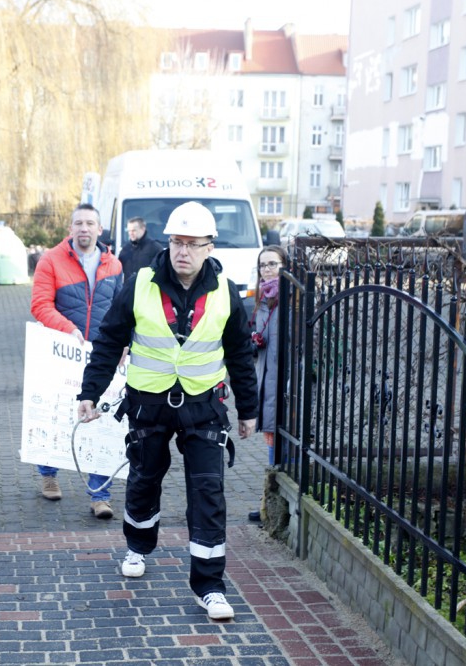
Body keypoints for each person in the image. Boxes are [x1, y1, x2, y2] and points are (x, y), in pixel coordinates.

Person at [76, 201, 258, 620]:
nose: (184, 251)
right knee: (143, 481)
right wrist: (90, 391)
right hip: (149, 404)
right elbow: (108, 341)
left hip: (204, 407)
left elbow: (241, 356)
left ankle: (210, 586)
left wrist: (247, 410)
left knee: (208, 493)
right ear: (169, 243)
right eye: (177, 241)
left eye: (193, 244)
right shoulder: (140, 283)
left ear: (210, 248)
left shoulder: (226, 291)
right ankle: (138, 546)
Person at [30, 203, 123, 519]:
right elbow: (40, 305)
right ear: (70, 229)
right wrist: (67, 329)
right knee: (55, 417)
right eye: (78, 223)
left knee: (98, 422)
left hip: (100, 357)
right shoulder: (51, 260)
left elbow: (122, 311)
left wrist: (123, 344)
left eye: (90, 223)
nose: (84, 229)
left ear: (99, 229)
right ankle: (48, 473)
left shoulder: (115, 265)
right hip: (61, 351)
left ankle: (100, 495)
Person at [248, 244, 288, 522]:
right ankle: (269, 503)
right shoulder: (262, 300)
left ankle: (277, 506)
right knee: (272, 440)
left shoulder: (292, 299)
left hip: (286, 385)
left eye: (273, 264)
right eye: (263, 265)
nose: (267, 270)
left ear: (285, 266)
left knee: (286, 445)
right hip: (266, 382)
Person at [117, 216, 164, 280]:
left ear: (143, 229)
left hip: (147, 288)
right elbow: (117, 270)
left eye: (134, 230)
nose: (131, 233)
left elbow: (161, 272)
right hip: (129, 288)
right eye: (129, 231)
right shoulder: (126, 249)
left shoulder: (155, 248)